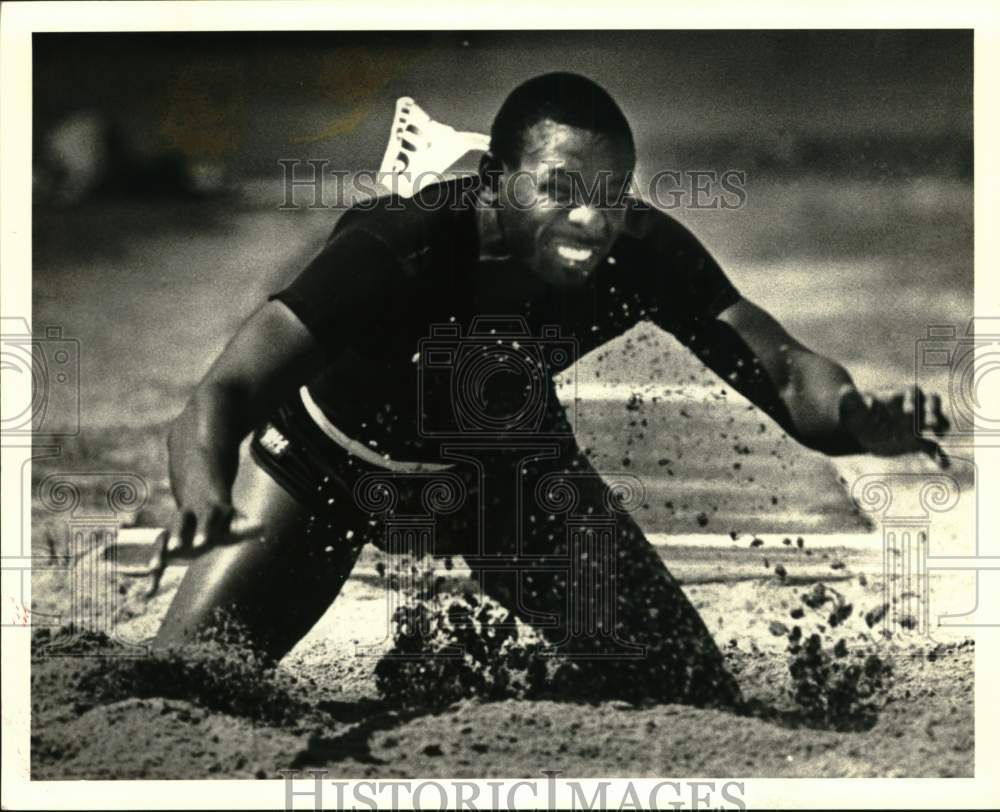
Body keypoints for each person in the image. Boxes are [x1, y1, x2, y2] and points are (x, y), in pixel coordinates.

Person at [145, 72, 948, 707]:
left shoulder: (640, 252)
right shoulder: (401, 247)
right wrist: (201, 494)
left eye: (611, 194)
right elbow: (221, 394)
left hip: (504, 471)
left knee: (690, 691)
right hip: (325, 465)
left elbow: (781, 369)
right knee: (181, 688)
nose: (590, 222)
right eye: (560, 188)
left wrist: (854, 417)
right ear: (496, 179)